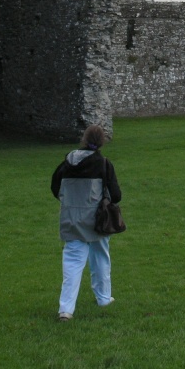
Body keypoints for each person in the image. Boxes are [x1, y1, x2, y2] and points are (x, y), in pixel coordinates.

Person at [50, 124, 121, 321]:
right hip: (96, 221)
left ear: (84, 139)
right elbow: (116, 195)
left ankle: (66, 309)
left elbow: (55, 187)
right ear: (102, 142)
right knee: (100, 258)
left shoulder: (67, 163)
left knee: (72, 262)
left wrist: (71, 203)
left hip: (71, 219)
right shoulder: (103, 164)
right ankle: (103, 298)